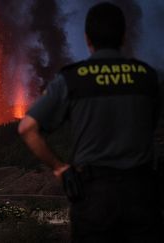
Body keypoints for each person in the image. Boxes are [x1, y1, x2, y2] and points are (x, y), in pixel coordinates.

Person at [18, 2, 163, 242]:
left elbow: (26, 128)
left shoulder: (73, 79)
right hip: (141, 196)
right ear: (124, 36)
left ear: (87, 39)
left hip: (94, 197)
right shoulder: (148, 77)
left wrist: (59, 168)